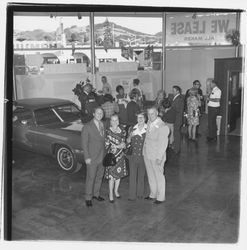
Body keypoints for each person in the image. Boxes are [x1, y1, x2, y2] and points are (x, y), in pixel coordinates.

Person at [142, 106, 169, 204]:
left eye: (152, 113)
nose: (150, 116)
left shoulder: (163, 126)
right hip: (147, 153)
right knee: (150, 175)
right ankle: (152, 193)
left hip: (157, 155)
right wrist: (143, 151)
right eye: (148, 114)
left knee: (159, 176)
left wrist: (159, 157)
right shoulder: (149, 122)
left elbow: (163, 144)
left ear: (157, 113)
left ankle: (160, 197)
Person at [81, 107, 106, 207]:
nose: (100, 115)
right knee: (90, 177)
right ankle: (88, 197)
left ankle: (96, 194)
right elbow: (84, 143)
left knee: (99, 177)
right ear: (93, 114)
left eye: (101, 113)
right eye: (98, 113)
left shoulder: (102, 124)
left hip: (102, 156)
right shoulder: (87, 127)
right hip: (92, 157)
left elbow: (102, 140)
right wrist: (87, 157)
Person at [104, 114, 128, 202]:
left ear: (118, 121)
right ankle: (110, 193)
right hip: (111, 157)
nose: (114, 122)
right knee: (111, 177)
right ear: (110, 122)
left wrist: (122, 145)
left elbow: (125, 144)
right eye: (112, 120)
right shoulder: (107, 132)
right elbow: (106, 144)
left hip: (120, 156)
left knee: (118, 176)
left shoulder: (123, 131)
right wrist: (116, 146)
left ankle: (116, 191)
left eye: (116, 120)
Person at [127, 111, 147, 201]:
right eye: (138, 117)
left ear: (145, 119)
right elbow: (127, 142)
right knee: (132, 176)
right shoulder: (132, 128)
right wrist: (130, 137)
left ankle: (140, 193)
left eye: (142, 117)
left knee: (141, 176)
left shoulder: (148, 129)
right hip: (133, 156)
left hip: (143, 156)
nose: (140, 119)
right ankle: (132, 195)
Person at [171, 85, 184, 154]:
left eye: (174, 90)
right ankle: (176, 146)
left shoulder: (179, 99)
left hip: (177, 119)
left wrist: (170, 110)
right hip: (176, 118)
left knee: (177, 134)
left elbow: (177, 109)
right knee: (176, 133)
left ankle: (177, 149)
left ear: (178, 91)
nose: (172, 92)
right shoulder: (177, 98)